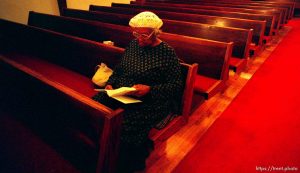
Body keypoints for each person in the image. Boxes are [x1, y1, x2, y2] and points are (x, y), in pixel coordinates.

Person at [92, 11, 183, 173]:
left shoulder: (167, 53)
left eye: (145, 35)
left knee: (126, 128)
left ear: (156, 33)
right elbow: (119, 69)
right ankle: (98, 148)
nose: (139, 38)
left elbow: (176, 85)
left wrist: (150, 89)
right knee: (96, 105)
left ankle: (119, 163)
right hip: (121, 93)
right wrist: (111, 84)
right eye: (136, 34)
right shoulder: (134, 44)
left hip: (148, 101)